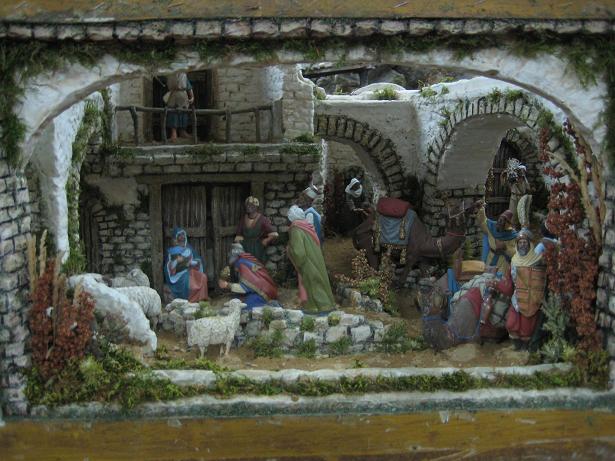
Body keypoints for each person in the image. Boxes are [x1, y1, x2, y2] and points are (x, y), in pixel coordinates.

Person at [487, 229, 547, 349]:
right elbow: (509, 287)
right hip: (517, 300)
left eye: (525, 242)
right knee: (511, 324)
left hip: (531, 302)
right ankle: (516, 348)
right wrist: (496, 284)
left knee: (526, 330)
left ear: (530, 244)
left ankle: (525, 350)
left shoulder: (538, 261)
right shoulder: (514, 261)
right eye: (520, 243)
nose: (522, 245)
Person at [286, 205, 336, 314]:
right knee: (318, 280)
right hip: (315, 258)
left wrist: (290, 250)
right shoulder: (306, 226)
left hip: (306, 262)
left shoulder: (295, 229)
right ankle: (317, 305)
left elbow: (298, 252)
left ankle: (321, 307)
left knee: (312, 282)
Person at [218, 243, 278, 309]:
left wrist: (227, 285)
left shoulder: (242, 265)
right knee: (238, 298)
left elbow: (244, 288)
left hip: (264, 294)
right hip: (264, 290)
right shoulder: (246, 260)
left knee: (246, 305)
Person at [164, 227, 208, 302]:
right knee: (189, 283)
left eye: (183, 236)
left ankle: (202, 298)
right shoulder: (172, 251)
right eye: (179, 236)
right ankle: (191, 300)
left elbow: (198, 260)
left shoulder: (189, 249)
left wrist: (193, 263)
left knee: (203, 277)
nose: (182, 238)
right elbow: (168, 267)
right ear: (176, 239)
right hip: (179, 275)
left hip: (191, 271)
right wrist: (177, 261)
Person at [477, 203, 518, 275]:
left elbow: (515, 253)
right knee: (486, 277)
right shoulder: (492, 227)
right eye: (500, 219)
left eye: (503, 221)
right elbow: (482, 221)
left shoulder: (512, 235)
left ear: (507, 224)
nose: (499, 222)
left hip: (502, 262)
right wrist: (481, 209)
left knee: (499, 279)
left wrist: (505, 248)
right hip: (490, 258)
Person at [235, 196, 278, 264]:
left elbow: (274, 234)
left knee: (257, 266)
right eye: (247, 205)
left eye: (250, 205)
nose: (248, 207)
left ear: (255, 207)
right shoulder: (243, 219)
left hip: (257, 248)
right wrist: (238, 245)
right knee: (245, 266)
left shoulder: (262, 219)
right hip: (245, 247)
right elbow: (239, 233)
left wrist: (266, 240)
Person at [165, 72, 194, 142]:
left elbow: (189, 88)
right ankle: (173, 133)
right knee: (173, 114)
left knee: (184, 114)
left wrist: (192, 97)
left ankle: (182, 132)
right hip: (173, 96)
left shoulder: (184, 76)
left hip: (183, 96)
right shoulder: (170, 75)